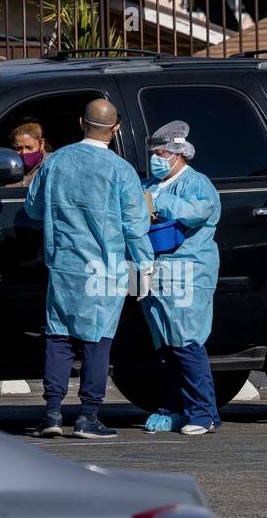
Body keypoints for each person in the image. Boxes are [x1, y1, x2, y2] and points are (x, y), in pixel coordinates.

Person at [25, 98, 152, 439]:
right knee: (97, 340)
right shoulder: (120, 170)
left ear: (81, 121)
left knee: (58, 337)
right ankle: (88, 417)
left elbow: (34, 210)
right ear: (116, 128)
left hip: (64, 265)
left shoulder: (55, 163)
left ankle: (52, 415)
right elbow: (135, 227)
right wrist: (144, 271)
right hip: (105, 269)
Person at [138, 120, 223, 436]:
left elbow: (196, 211)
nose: (156, 159)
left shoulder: (197, 184)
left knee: (187, 342)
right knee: (164, 346)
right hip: (152, 274)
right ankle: (174, 408)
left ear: (178, 153)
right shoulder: (148, 185)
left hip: (187, 273)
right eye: (154, 153)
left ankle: (204, 413)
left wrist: (158, 204)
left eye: (161, 153)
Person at [7, 122, 49, 187]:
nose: (24, 152)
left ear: (42, 144)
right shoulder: (7, 167)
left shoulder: (52, 167)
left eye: (29, 147)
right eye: (18, 148)